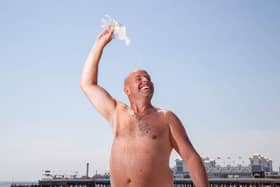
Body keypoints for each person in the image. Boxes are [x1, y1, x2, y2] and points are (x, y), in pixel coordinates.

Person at [80, 25, 209, 187]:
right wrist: (99, 44)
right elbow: (87, 84)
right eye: (139, 78)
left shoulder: (166, 117)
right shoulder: (117, 112)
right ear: (126, 90)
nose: (146, 80)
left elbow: (191, 158)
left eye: (148, 78)